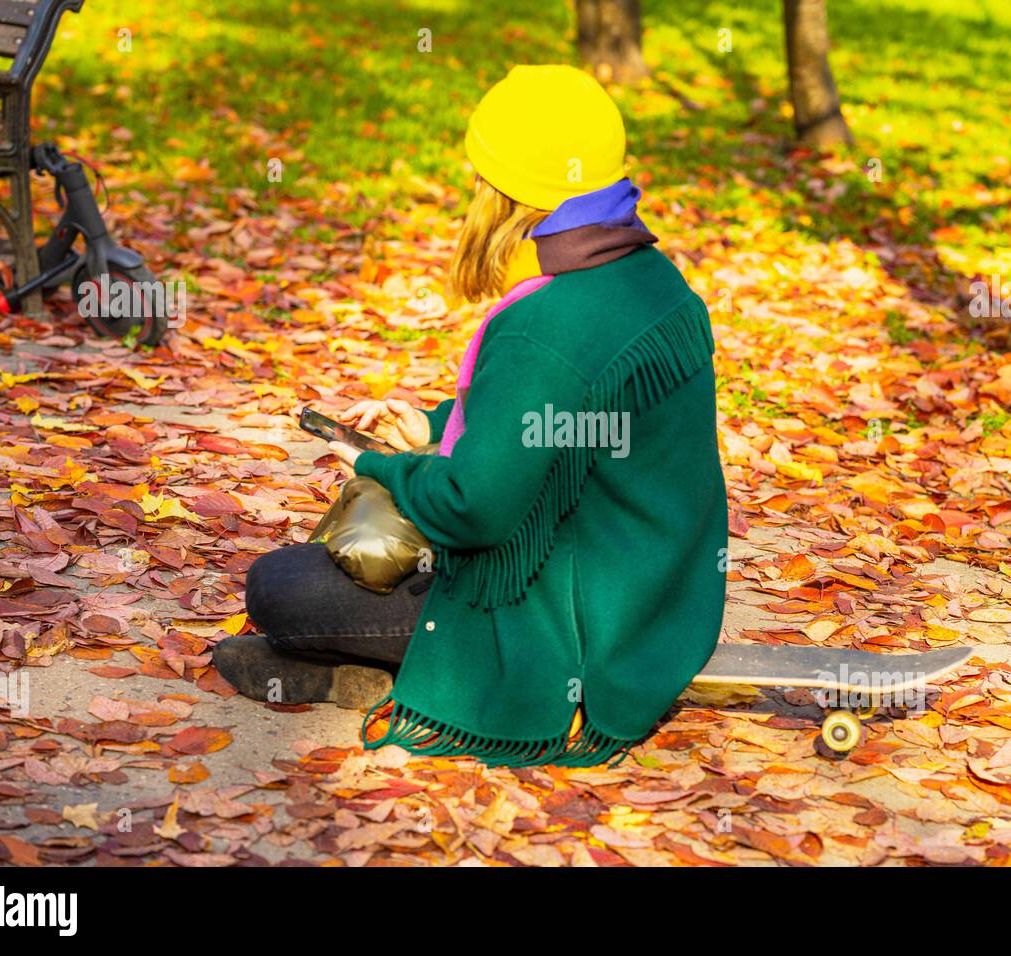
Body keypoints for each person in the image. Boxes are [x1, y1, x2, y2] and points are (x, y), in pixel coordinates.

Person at [214, 65, 727, 767]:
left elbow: (474, 511)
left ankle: (399, 683)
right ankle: (358, 670)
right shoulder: (653, 279)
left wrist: (376, 464)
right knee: (316, 581)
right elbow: (561, 419)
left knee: (282, 587)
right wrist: (432, 424)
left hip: (571, 624)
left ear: (505, 192)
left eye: (480, 175)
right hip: (661, 597)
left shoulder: (547, 321)